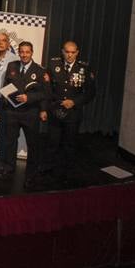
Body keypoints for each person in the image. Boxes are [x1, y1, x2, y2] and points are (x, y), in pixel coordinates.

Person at [0, 42, 49, 190]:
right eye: (22, 52)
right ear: (18, 53)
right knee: (10, 142)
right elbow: (7, 85)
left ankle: (31, 175)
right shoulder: (12, 66)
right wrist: (7, 96)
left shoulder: (40, 71)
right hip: (12, 112)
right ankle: (9, 168)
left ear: (32, 52)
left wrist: (29, 98)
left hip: (30, 113)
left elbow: (45, 93)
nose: (24, 55)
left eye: (27, 52)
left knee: (33, 145)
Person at [46, 41, 95, 183]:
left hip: (73, 113)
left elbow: (90, 92)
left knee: (69, 144)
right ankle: (49, 170)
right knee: (52, 142)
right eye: (67, 52)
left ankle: (67, 171)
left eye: (73, 52)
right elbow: (47, 88)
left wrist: (74, 102)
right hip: (56, 110)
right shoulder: (54, 65)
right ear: (62, 51)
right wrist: (53, 103)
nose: (69, 55)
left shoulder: (84, 68)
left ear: (77, 53)